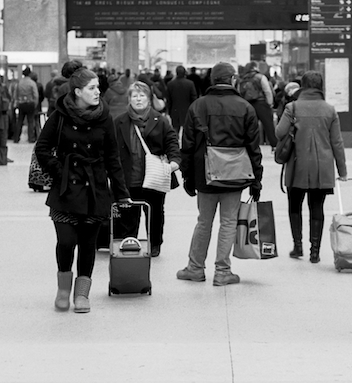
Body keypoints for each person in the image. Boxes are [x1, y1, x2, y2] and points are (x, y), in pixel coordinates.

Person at [34, 62, 131, 313]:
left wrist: (121, 194)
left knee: (88, 244)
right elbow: (42, 148)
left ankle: (82, 295)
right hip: (66, 188)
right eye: (91, 88)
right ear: (77, 91)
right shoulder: (59, 116)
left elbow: (113, 158)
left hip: (95, 188)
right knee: (66, 242)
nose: (98, 92)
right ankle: (63, 289)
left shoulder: (104, 118)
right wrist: (59, 171)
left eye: (98, 87)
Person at [177, 62, 263, 286]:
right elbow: (254, 148)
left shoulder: (198, 106)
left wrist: (187, 177)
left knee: (203, 222)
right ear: (233, 79)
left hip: (205, 174)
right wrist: (257, 180)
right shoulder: (245, 107)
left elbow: (186, 145)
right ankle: (223, 272)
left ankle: (195, 268)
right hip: (235, 175)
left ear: (212, 80)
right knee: (228, 222)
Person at [275, 70, 347, 263]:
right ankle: (315, 251)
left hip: (297, 165)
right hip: (322, 167)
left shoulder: (293, 107)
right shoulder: (330, 109)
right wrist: (342, 171)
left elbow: (279, 132)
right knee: (317, 207)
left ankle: (297, 247)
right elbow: (337, 142)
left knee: (294, 206)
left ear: (303, 86)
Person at [113, 81, 181, 258]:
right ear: (129, 99)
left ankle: (155, 243)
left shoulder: (161, 120)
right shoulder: (119, 122)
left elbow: (172, 142)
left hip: (154, 177)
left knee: (155, 213)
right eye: (134, 95)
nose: (138, 99)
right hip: (129, 177)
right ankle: (129, 243)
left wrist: (174, 161)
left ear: (149, 98)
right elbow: (111, 148)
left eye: (142, 95)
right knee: (128, 215)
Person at [237, 61, 277, 148]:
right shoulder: (260, 77)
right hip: (261, 103)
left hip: (248, 104)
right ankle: (274, 145)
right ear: (255, 68)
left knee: (250, 126)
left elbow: (239, 92)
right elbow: (267, 91)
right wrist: (270, 103)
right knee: (268, 125)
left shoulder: (242, 79)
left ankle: (251, 144)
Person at [166, 65, 198, 133]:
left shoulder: (170, 84)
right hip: (187, 110)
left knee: (175, 129)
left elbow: (168, 99)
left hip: (174, 110)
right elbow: (194, 98)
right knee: (187, 130)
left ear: (176, 72)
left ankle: (175, 142)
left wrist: (168, 111)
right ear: (184, 73)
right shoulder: (190, 83)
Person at [14, 67, 40, 143]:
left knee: (19, 121)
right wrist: (35, 103)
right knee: (30, 121)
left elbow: (16, 94)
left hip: (21, 103)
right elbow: (36, 95)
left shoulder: (19, 82)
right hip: (30, 103)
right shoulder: (32, 83)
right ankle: (30, 138)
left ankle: (16, 138)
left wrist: (17, 102)